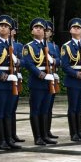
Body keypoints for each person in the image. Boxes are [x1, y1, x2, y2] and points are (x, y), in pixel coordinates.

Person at [0, 15, 22, 149]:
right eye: (1, 25)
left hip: (13, 83)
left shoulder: (14, 46)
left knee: (9, 112)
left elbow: (23, 61)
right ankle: (1, 141)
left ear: (10, 29)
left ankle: (9, 139)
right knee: (0, 112)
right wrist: (4, 76)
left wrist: (17, 61)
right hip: (0, 83)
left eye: (6, 26)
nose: (3, 27)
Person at [23, 18, 58, 146]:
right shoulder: (29, 47)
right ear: (32, 31)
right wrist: (42, 75)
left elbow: (58, 61)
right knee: (36, 109)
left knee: (45, 109)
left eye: (41, 28)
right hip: (37, 82)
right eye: (36, 28)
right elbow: (29, 64)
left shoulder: (49, 46)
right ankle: (37, 137)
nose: (39, 29)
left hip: (49, 82)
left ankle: (45, 135)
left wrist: (53, 61)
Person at [60, 18, 81, 141]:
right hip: (73, 81)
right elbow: (65, 66)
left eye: (78, 28)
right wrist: (78, 74)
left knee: (80, 107)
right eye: (74, 27)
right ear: (70, 30)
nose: (76, 29)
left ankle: (79, 131)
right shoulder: (66, 46)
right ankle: (73, 133)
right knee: (73, 107)